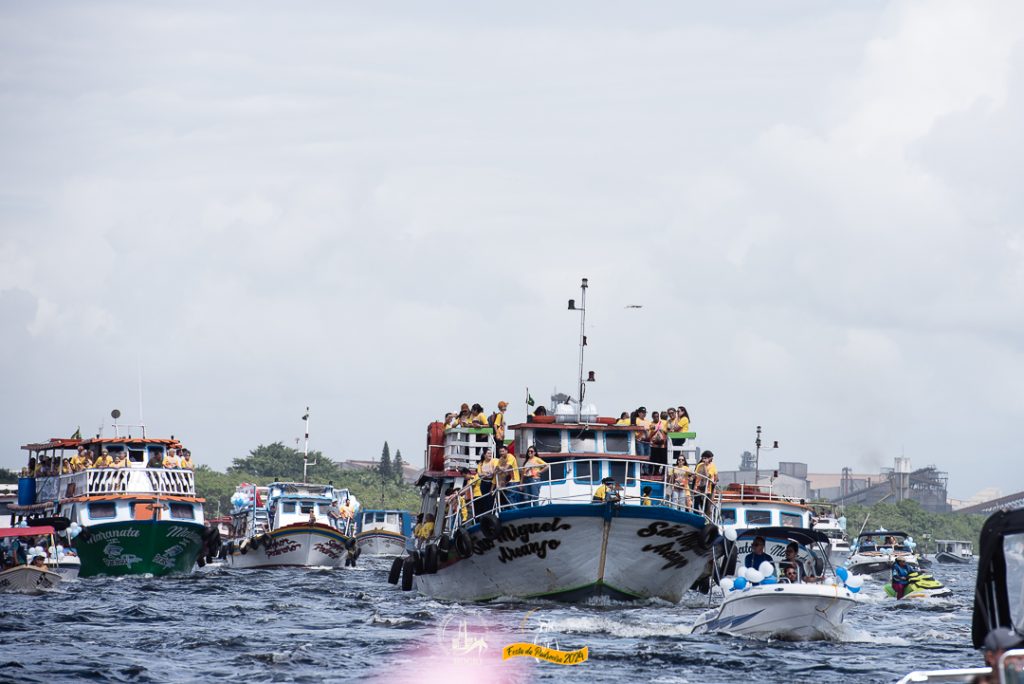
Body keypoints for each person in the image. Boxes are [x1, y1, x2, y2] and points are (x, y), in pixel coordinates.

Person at [694, 451, 718, 516]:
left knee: (706, 505)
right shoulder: (699, 465)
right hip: (698, 487)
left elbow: (708, 476)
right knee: (696, 503)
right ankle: (696, 516)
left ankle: (706, 518)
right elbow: (695, 476)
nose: (704, 459)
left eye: (706, 458)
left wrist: (704, 465)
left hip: (707, 488)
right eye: (703, 458)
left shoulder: (712, 466)